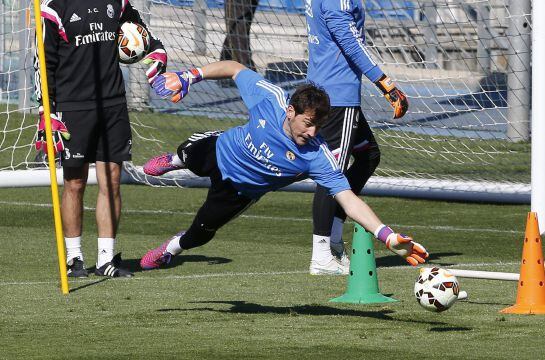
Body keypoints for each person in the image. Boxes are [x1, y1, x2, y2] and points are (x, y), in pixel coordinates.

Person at [138, 60, 427, 272]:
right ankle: (173, 161)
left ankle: (169, 250)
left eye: (319, 126)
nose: (313, 133)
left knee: (199, 234)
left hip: (238, 191)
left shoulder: (318, 155)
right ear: (291, 112)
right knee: (188, 152)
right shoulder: (271, 99)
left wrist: (386, 235)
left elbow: (349, 200)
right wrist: (191, 75)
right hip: (221, 150)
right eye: (308, 123)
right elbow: (235, 68)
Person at [34, 0, 167, 278]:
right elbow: (43, 63)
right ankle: (74, 259)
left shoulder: (117, 2)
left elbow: (140, 32)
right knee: (75, 182)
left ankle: (106, 260)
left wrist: (157, 51)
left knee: (112, 180)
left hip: (112, 105)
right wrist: (45, 111)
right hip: (73, 107)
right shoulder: (53, 7)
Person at [304, 0, 409, 275]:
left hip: (326, 88)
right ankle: (322, 256)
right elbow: (349, 40)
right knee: (331, 173)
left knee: (367, 156)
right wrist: (385, 83)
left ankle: (334, 241)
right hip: (338, 96)